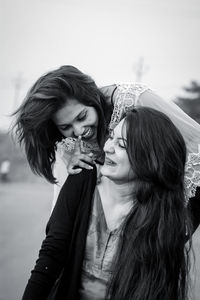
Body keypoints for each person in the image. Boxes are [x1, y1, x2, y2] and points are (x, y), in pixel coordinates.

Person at [22, 107, 192, 300]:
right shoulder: (83, 176)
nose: (107, 148)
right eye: (111, 137)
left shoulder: (162, 214)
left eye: (122, 145)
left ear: (150, 157)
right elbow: (51, 254)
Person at [12, 65, 200, 228]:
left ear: (93, 98)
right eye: (66, 127)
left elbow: (196, 149)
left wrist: (177, 224)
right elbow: (61, 205)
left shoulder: (136, 101)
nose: (78, 131)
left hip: (167, 213)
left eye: (82, 117)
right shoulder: (66, 143)